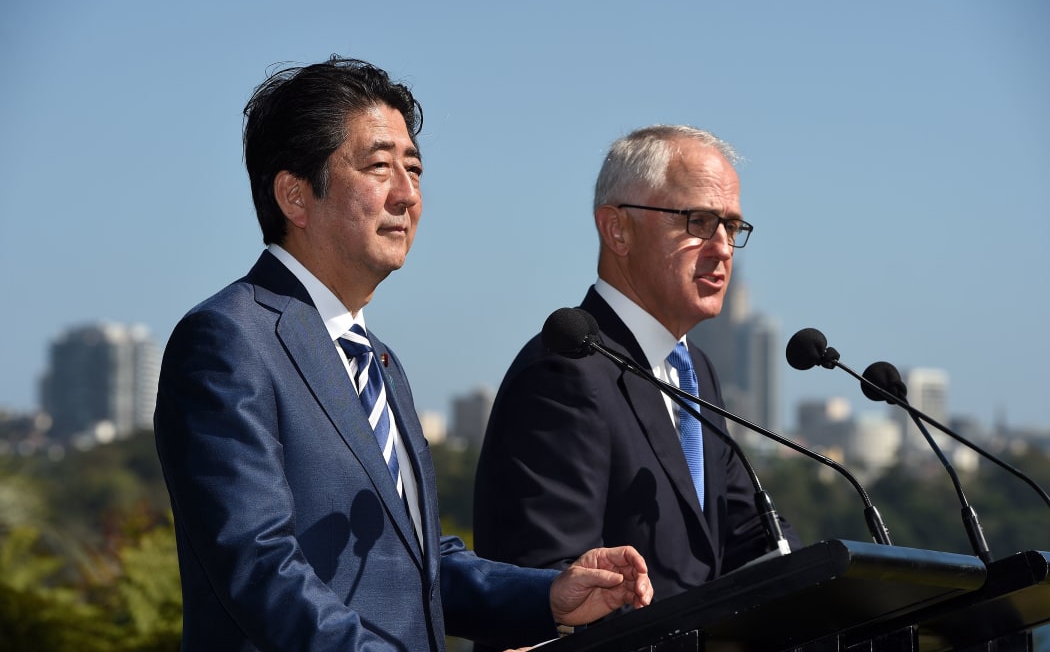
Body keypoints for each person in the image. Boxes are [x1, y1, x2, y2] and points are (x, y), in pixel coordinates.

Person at [153, 56, 651, 652]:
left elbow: (419, 564)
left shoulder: (379, 361)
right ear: (294, 194)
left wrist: (549, 595)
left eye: (414, 169)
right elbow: (258, 567)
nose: (408, 195)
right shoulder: (228, 340)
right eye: (379, 167)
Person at [473, 125, 800, 606]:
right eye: (699, 221)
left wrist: (842, 577)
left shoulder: (696, 371)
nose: (723, 248)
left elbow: (746, 532)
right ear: (617, 229)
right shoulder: (566, 371)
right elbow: (546, 579)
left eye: (731, 226)